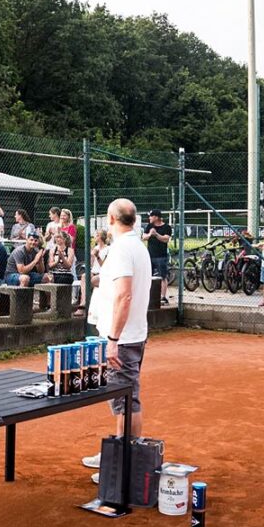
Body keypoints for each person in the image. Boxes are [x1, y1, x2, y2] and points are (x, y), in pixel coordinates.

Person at [81, 199, 151, 484]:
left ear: (111, 218)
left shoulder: (123, 249)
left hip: (122, 338)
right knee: (122, 398)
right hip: (132, 334)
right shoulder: (136, 246)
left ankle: (123, 461)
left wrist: (113, 339)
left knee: (126, 400)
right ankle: (117, 451)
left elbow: (125, 295)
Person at [142, 209, 172, 305]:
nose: (149, 218)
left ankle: (163, 297)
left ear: (156, 217)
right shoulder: (150, 226)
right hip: (150, 255)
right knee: (148, 276)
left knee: (163, 276)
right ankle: (149, 296)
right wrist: (150, 234)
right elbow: (144, 237)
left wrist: (157, 234)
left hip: (161, 256)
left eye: (151, 216)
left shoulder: (166, 227)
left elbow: (166, 239)